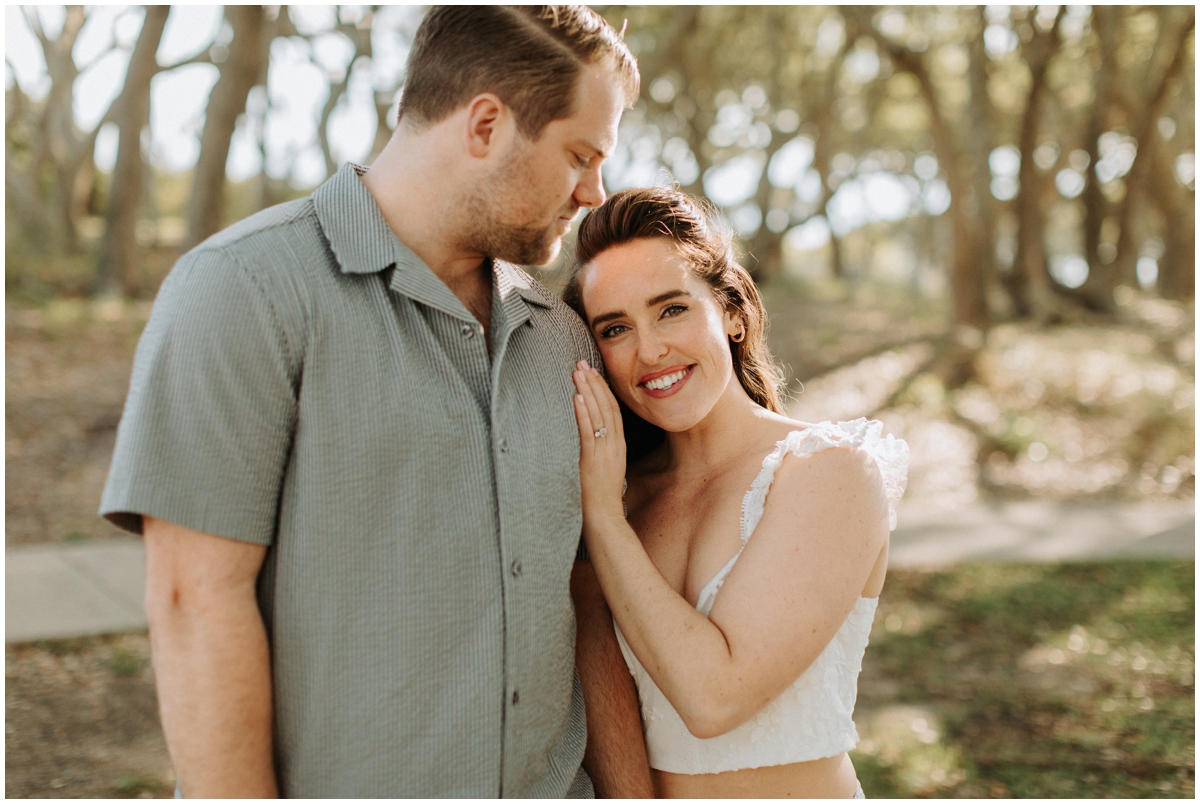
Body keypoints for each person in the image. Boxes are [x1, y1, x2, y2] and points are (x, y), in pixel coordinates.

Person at [99, 6, 653, 798]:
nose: (595, 192)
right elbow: (194, 604)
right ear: (487, 124)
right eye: (580, 155)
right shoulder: (243, 290)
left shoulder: (561, 337)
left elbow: (583, 597)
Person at [562, 187, 909, 798]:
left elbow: (713, 698)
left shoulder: (829, 470)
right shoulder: (619, 495)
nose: (650, 351)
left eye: (671, 309)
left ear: (732, 311)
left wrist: (602, 520)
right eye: (616, 328)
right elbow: (600, 694)